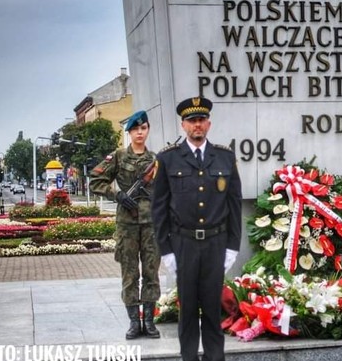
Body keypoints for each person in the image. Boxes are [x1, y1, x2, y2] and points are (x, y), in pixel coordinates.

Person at [152, 96, 242, 361]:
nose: (197, 125)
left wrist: (232, 247)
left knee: (213, 308)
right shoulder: (167, 159)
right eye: (192, 121)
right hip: (184, 244)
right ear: (183, 125)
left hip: (216, 242)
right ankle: (189, 357)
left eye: (201, 120)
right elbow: (159, 209)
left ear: (209, 124)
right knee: (188, 309)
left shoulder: (225, 157)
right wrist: (166, 250)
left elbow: (234, 205)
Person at [90, 110, 161, 339]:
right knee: (130, 274)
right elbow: (96, 180)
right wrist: (117, 195)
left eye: (143, 128)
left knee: (151, 272)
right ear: (129, 132)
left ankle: (148, 322)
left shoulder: (156, 160)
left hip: (151, 224)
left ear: (148, 130)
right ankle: (133, 323)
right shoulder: (118, 156)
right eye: (135, 129)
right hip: (127, 224)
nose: (140, 132)